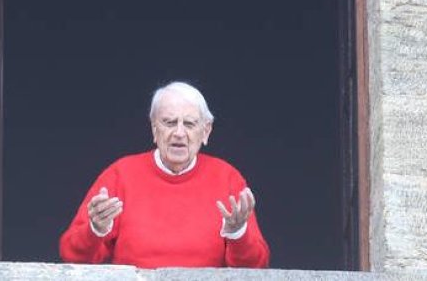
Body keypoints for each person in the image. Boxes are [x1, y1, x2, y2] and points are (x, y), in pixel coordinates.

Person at [59, 81, 270, 268]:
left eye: (189, 124)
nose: (179, 133)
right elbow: (72, 256)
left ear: (206, 131)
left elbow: (257, 265)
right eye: (169, 122)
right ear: (154, 129)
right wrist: (95, 229)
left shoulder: (228, 178)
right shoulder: (120, 175)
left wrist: (237, 233)